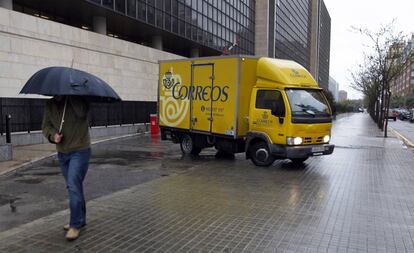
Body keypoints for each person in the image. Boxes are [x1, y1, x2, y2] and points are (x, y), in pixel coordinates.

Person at [42, 95, 91, 241]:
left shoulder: (79, 100)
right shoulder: (50, 104)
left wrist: (72, 99)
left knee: (73, 186)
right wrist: (53, 136)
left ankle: (75, 225)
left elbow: (83, 114)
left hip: (80, 150)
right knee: (74, 186)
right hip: (62, 153)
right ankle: (80, 219)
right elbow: (46, 126)